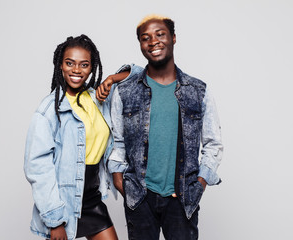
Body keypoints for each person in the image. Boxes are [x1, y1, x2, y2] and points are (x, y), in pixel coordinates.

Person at [96, 15, 223, 240]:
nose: (153, 41)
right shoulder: (125, 91)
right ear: (141, 45)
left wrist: (199, 184)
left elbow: (213, 143)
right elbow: (118, 142)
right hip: (139, 197)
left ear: (173, 38)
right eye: (146, 38)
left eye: (160, 34)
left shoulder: (198, 90)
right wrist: (119, 179)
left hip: (183, 199)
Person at [24, 35, 128, 240]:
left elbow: (141, 75)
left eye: (84, 64)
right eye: (69, 63)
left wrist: (112, 79)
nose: (76, 70)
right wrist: (55, 221)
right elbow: (37, 167)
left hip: (91, 197)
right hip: (62, 202)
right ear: (60, 65)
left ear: (92, 67)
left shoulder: (98, 98)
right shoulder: (49, 110)